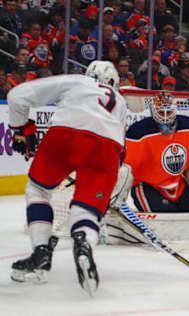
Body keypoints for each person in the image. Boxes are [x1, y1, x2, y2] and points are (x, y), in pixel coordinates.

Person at [7, 61, 127, 296]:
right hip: (108, 149)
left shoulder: (77, 81)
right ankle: (83, 243)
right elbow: (120, 152)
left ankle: (41, 252)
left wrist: (21, 128)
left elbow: (16, 96)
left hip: (66, 134)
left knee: (38, 190)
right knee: (87, 209)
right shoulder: (120, 103)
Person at [110, 92, 189, 244]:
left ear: (175, 110)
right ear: (153, 111)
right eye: (161, 112)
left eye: (168, 112)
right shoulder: (139, 133)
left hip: (177, 185)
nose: (165, 116)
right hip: (147, 186)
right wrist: (118, 193)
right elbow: (126, 169)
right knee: (168, 217)